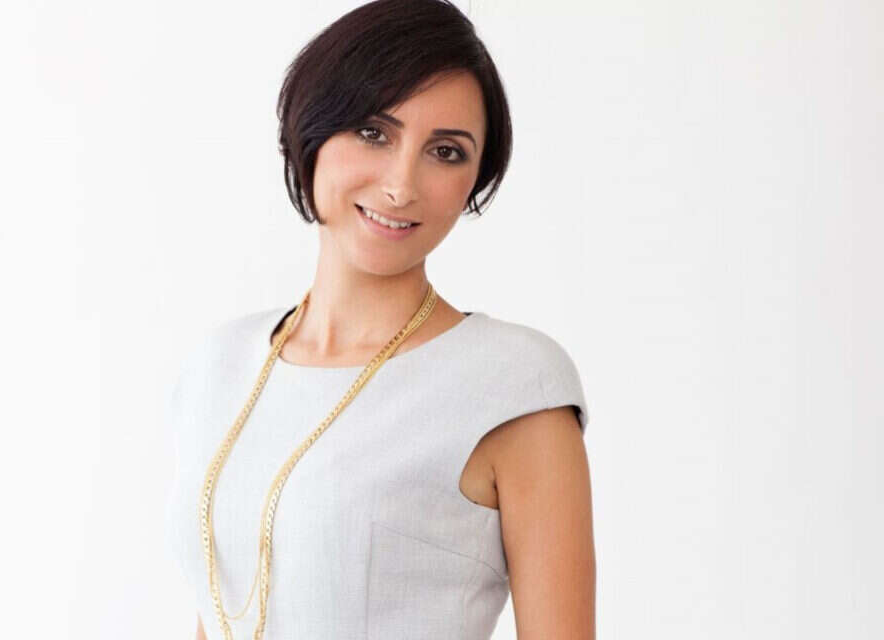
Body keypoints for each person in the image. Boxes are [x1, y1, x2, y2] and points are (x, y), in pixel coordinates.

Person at [166, 1, 595, 639]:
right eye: (373, 133)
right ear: (312, 129)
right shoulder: (220, 365)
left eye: (445, 151)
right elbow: (222, 611)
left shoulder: (513, 385)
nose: (401, 186)